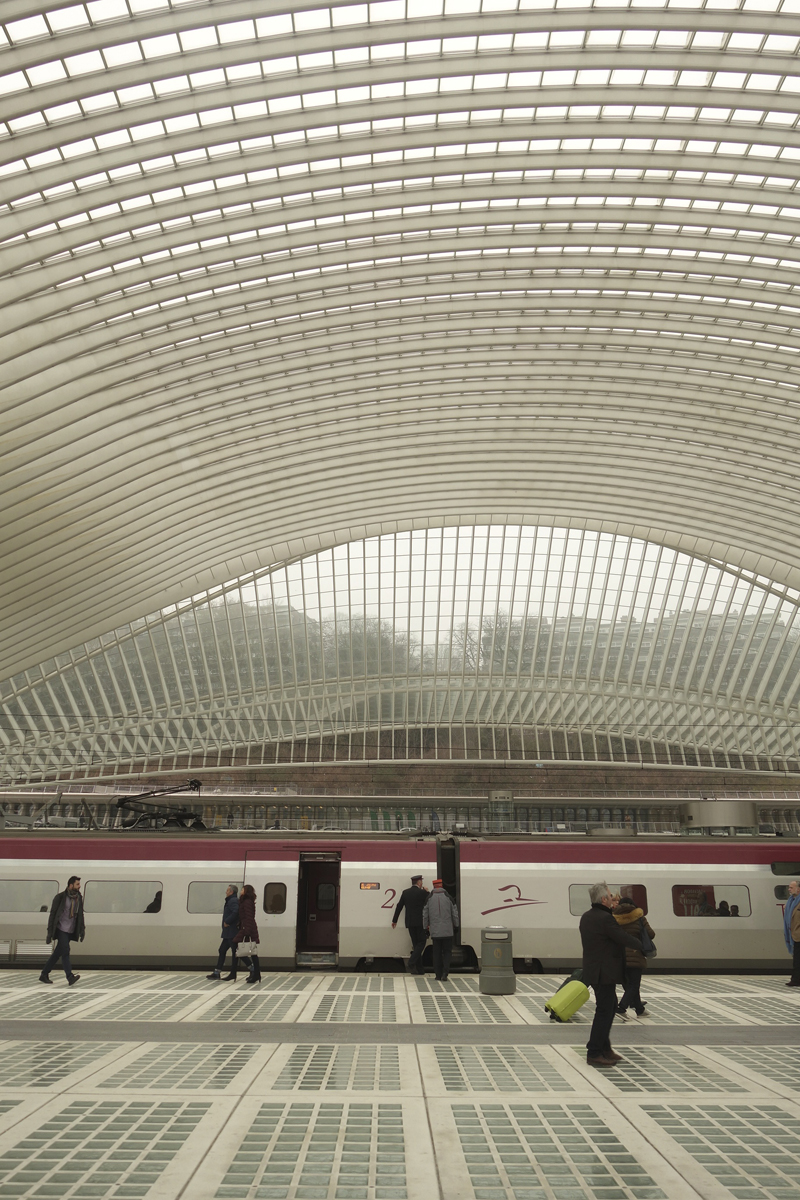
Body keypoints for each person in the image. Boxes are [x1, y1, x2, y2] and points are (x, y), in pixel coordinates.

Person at [579, 881, 643, 1068]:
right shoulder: (605, 918)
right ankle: (594, 1052)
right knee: (605, 1010)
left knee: (609, 1006)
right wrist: (640, 945)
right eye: (610, 896)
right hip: (603, 972)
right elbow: (620, 936)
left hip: (595, 971)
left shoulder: (587, 916)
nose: (613, 899)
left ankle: (605, 1048)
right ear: (604, 899)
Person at [614, 897, 655, 1019]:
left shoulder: (614, 918)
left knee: (630, 984)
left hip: (620, 956)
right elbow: (651, 934)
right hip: (635, 955)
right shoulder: (639, 917)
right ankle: (621, 1008)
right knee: (634, 985)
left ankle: (639, 1009)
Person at [40, 876, 84, 986]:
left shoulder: (78, 898)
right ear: (71, 885)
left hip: (71, 930)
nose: (79, 886)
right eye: (77, 884)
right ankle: (70, 977)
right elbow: (53, 915)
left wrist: (82, 929)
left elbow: (80, 915)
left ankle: (44, 974)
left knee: (57, 953)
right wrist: (49, 933)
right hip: (61, 929)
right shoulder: (60, 897)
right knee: (65, 951)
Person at [392, 875, 430, 975]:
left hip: (410, 922)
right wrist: (427, 892)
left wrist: (394, 920)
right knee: (421, 942)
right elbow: (430, 901)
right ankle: (411, 962)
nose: (422, 883)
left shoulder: (405, 892)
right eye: (421, 881)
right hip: (420, 923)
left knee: (415, 944)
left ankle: (420, 970)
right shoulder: (423, 893)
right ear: (419, 883)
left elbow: (399, 906)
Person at [422, 879, 459, 982]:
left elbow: (425, 915)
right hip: (448, 931)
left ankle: (437, 975)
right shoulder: (449, 897)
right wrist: (456, 925)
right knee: (447, 952)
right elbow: (454, 913)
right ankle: (445, 974)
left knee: (436, 953)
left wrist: (425, 928)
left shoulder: (429, 898)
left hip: (435, 932)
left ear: (434, 886)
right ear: (442, 886)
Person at [207, 884, 240, 981]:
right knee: (222, 950)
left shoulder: (233, 901)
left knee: (237, 953)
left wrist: (227, 921)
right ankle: (217, 972)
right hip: (228, 933)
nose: (226, 892)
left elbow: (236, 911)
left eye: (227, 890)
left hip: (231, 932)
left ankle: (252, 968)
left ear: (231, 892)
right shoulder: (230, 900)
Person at [232, 883, 261, 984]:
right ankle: (255, 973)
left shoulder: (247, 902)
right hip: (246, 928)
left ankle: (254, 972)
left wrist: (247, 931)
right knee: (252, 952)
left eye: (242, 889)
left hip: (247, 929)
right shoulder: (246, 901)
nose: (241, 891)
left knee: (246, 949)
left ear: (246, 891)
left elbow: (249, 917)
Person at [783, 879, 800, 987]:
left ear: (798, 889)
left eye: (791, 887)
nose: (789, 889)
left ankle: (796, 979)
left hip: (798, 934)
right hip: (794, 935)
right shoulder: (791, 901)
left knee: (798, 959)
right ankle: (795, 978)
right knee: (796, 959)